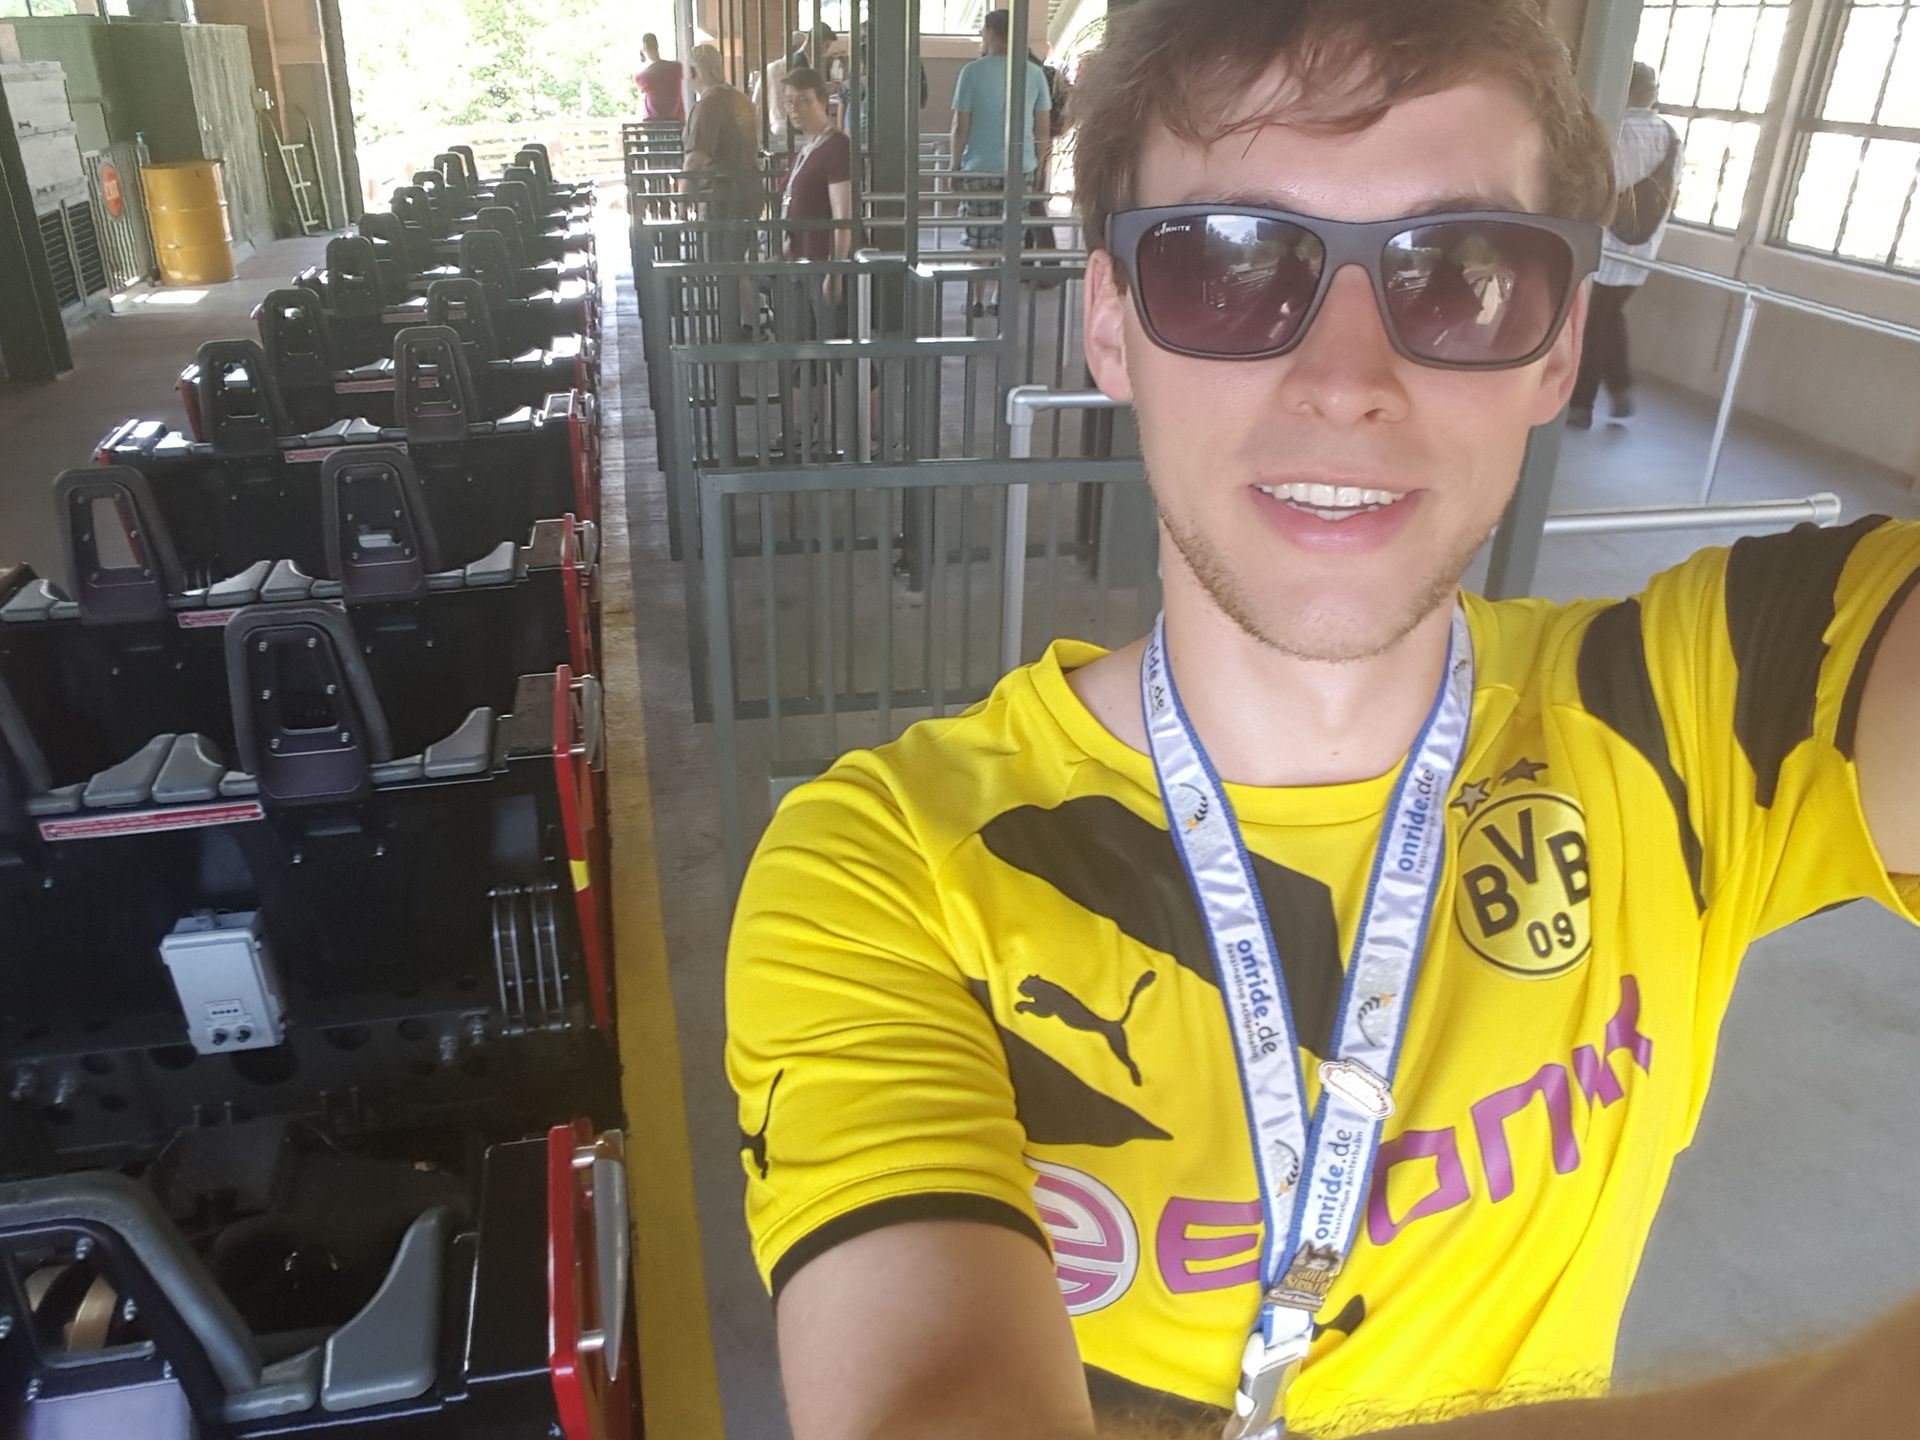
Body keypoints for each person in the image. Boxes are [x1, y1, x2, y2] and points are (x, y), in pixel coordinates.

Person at [728, 5, 1920, 1440]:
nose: (1347, 381)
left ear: (1557, 348)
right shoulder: (888, 871)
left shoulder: (1700, 708)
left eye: (1463, 274)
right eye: (1229, 266)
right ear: (1111, 325)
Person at [1570, 62, 1681, 429]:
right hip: (1642, 249)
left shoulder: (1618, 132)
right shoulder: (1669, 135)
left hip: (1607, 245)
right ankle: (1620, 387)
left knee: (1595, 323)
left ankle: (1581, 404)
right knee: (1608, 316)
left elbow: (1603, 185)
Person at [948, 8, 1052, 316]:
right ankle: (999, 300)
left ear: (992, 33)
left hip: (979, 166)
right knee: (1011, 238)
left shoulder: (972, 72)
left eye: (983, 32)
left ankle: (976, 300)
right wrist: (1041, 166)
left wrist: (954, 166)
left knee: (979, 238)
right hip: (1020, 167)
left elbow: (960, 126)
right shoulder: (1033, 73)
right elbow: (1042, 128)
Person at [777, 66, 858, 454]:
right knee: (802, 349)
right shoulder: (805, 148)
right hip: (799, 261)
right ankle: (803, 428)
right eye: (789, 101)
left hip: (822, 263)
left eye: (803, 101)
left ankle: (874, 434)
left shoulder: (836, 147)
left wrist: (836, 271)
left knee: (840, 348)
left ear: (823, 102)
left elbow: (843, 215)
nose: (795, 108)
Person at [683, 42, 761, 330]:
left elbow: (696, 158)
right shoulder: (741, 100)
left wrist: (682, 199)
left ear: (694, 71)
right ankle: (750, 321)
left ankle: (735, 327)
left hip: (722, 196)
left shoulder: (707, 106)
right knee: (738, 261)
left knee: (724, 263)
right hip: (748, 190)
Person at [753, 29, 812, 153]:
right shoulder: (801, 70)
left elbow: (756, 102)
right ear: (797, 48)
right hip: (798, 127)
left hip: (776, 127)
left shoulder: (770, 68)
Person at [634, 33, 685, 122]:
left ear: (643, 50)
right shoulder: (676, 67)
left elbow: (641, 93)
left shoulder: (643, 75)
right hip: (676, 118)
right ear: (657, 46)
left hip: (653, 120)